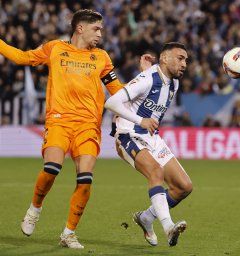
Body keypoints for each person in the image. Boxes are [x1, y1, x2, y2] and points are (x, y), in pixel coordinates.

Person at [0, 9, 153, 249]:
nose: (101, 34)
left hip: (88, 126)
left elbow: (118, 91)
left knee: (85, 179)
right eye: (97, 29)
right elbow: (22, 58)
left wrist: (144, 78)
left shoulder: (102, 57)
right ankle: (34, 209)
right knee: (51, 169)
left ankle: (69, 233)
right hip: (59, 121)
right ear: (80, 28)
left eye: (101, 29)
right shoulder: (55, 49)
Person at [105, 42, 193, 247]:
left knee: (183, 187)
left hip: (151, 138)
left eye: (186, 60)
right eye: (180, 58)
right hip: (128, 134)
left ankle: (146, 218)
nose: (184, 64)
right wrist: (140, 120)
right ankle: (168, 227)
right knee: (156, 173)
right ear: (164, 58)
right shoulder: (147, 78)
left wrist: (147, 72)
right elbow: (111, 103)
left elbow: (154, 87)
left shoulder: (174, 83)